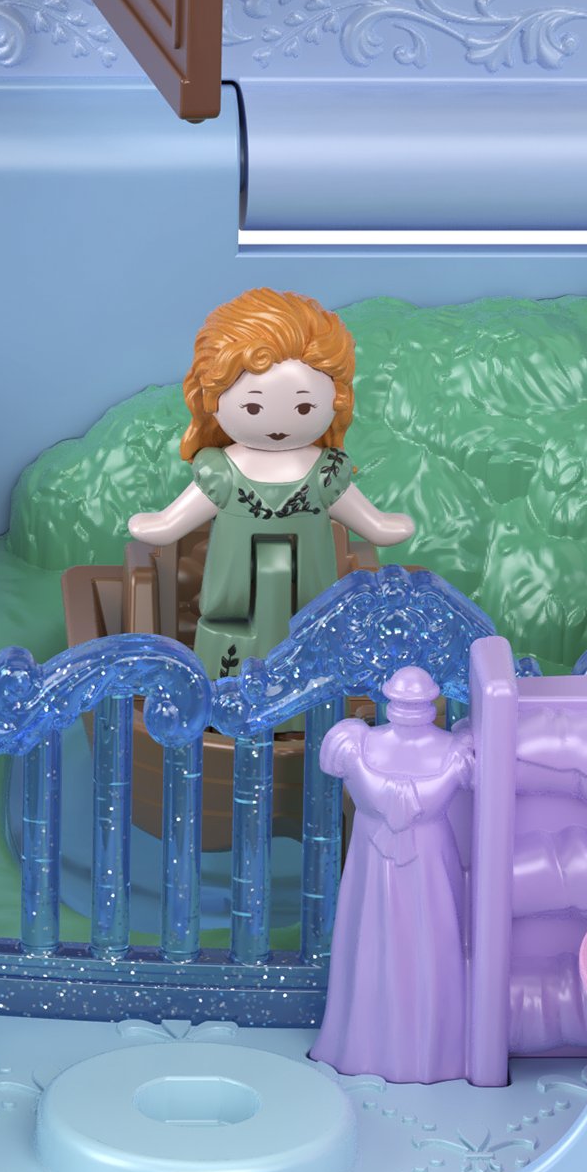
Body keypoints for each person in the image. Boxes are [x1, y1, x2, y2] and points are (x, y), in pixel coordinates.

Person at [127, 287, 417, 675]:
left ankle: (311, 694)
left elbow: (360, 513)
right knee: (230, 647)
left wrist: (378, 526)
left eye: (303, 406)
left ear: (335, 400)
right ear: (214, 400)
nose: (278, 425)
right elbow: (181, 515)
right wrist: (166, 524)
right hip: (234, 601)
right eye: (253, 406)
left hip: (309, 598)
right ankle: (226, 691)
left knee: (314, 626)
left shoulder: (324, 472)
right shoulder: (222, 471)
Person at [311, 665, 477, 1083]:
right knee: (372, 941)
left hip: (429, 861)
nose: (409, 710)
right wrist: (447, 775)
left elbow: (407, 801)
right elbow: (391, 800)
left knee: (431, 942)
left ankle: (435, 1052)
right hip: (375, 863)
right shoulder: (361, 744)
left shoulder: (453, 749)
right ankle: (366, 1046)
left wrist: (449, 772)